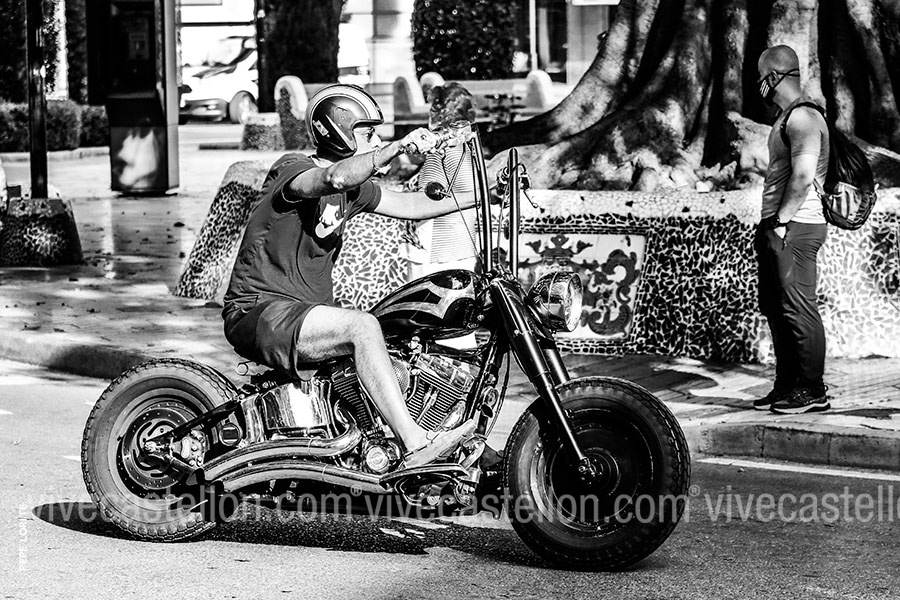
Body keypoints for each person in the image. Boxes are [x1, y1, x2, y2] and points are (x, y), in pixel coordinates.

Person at [222, 84, 476, 467]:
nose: (376, 141)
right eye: (368, 133)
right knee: (362, 326)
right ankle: (414, 444)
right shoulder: (292, 169)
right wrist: (395, 149)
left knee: (400, 337)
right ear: (339, 131)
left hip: (301, 315)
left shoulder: (354, 191)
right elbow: (331, 179)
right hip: (260, 311)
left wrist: (489, 194)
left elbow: (413, 205)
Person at [752, 45, 830, 414]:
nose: (759, 85)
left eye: (760, 78)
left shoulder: (804, 117)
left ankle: (812, 389)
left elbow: (802, 175)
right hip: (778, 224)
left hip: (797, 225)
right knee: (777, 308)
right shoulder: (786, 117)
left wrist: (782, 222)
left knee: (799, 307)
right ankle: (787, 385)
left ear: (772, 77)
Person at [411, 82, 480, 279]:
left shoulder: (445, 149)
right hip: (453, 246)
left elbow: (429, 198)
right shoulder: (463, 147)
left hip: (440, 249)